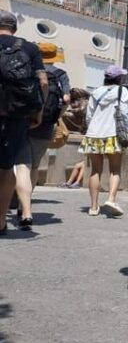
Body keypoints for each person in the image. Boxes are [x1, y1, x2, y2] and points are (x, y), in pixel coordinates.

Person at [0, 10, 47, 235]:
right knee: (8, 166)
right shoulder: (29, 48)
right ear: (14, 28)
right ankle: (1, 219)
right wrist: (39, 109)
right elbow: (43, 81)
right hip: (16, 114)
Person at [14, 42, 70, 229]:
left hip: (23, 121)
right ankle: (26, 207)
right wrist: (57, 117)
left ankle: (24, 209)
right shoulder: (60, 74)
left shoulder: (29, 68)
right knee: (34, 167)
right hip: (46, 125)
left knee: (22, 165)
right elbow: (67, 99)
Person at [79, 65, 128, 217]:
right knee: (115, 169)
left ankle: (94, 207)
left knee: (95, 170)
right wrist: (125, 132)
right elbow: (124, 113)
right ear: (119, 78)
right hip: (112, 133)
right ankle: (111, 199)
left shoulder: (95, 92)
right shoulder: (122, 91)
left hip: (94, 134)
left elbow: (89, 116)